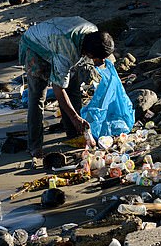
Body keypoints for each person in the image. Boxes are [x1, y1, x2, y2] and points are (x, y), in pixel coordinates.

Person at [18, 16, 114, 161]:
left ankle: (74, 134)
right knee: (38, 97)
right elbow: (58, 88)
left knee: (73, 90)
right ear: (88, 54)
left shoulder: (93, 33)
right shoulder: (67, 53)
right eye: (98, 58)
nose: (100, 62)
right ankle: (35, 146)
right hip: (36, 47)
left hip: (56, 41)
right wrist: (75, 117)